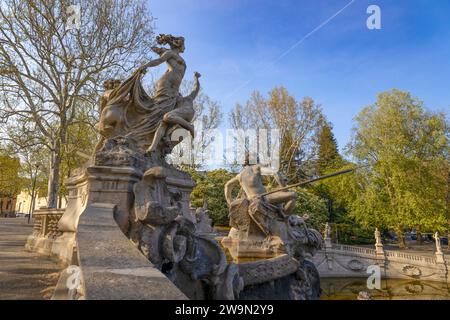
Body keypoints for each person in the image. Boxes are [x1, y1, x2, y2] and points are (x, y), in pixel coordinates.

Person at [224, 162, 298, 215]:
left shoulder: (239, 175)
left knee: (276, 196)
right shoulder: (257, 167)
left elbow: (227, 186)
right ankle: (284, 217)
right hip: (263, 198)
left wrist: (230, 202)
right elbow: (275, 173)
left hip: (251, 200)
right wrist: (284, 189)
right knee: (293, 195)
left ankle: (279, 213)